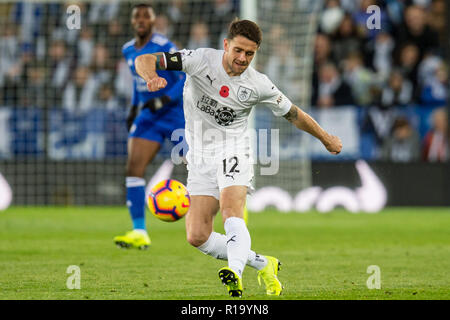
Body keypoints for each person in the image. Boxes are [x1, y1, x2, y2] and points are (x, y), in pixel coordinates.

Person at [134, 19, 342, 297]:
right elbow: (146, 58)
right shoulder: (199, 60)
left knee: (232, 211)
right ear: (226, 45)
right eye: (238, 51)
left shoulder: (259, 84)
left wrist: (326, 138)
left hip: (234, 152)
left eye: (250, 54)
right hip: (199, 158)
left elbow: (294, 114)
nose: (243, 58)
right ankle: (263, 263)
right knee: (197, 236)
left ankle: (235, 272)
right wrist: (151, 77)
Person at [113, 3, 186, 250]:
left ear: (154, 21)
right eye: (138, 16)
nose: (142, 20)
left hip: (175, 115)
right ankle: (139, 231)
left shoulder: (165, 46)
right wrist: (134, 107)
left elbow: (183, 77)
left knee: (197, 166)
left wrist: (164, 99)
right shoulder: (126, 49)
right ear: (133, 21)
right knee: (134, 167)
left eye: (147, 16)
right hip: (148, 116)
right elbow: (136, 81)